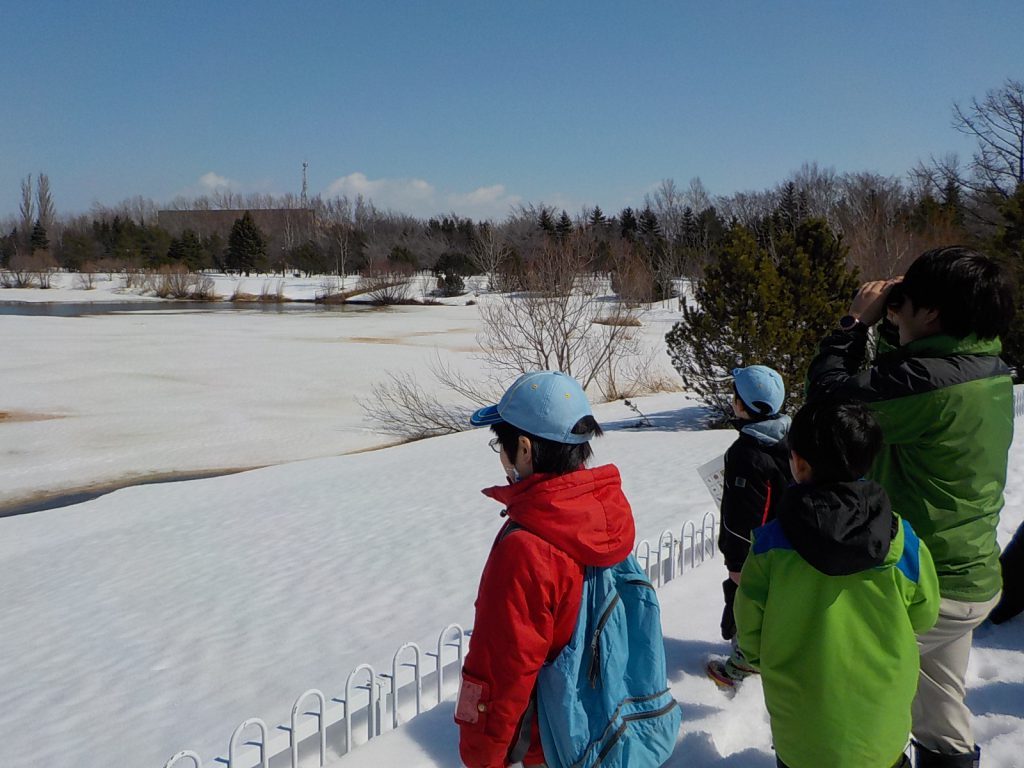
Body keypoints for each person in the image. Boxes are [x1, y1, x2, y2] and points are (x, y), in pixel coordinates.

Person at [805, 246, 1016, 767]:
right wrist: (894, 325)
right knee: (940, 711)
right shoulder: (982, 367)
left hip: (924, 586)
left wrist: (854, 323)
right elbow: (894, 382)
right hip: (967, 576)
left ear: (934, 314)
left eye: (909, 302)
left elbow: (827, 406)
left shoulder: (930, 385)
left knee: (848, 704)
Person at [734, 399, 940, 768]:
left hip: (801, 728)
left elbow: (750, 631)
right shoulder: (902, 540)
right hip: (880, 723)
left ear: (798, 463)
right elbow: (925, 613)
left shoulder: (769, 545)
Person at [454, 371, 636, 768]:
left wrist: (482, 756)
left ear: (524, 448)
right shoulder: (604, 515)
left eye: (499, 444)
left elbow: (504, 667)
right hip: (601, 721)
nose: (501, 458)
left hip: (548, 742)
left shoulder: (528, 546)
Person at [707, 365, 792, 689]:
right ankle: (765, 654)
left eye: (735, 397)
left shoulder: (747, 454)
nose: (732, 401)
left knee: (747, 603)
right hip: (784, 544)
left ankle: (742, 665)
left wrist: (736, 558)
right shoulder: (786, 435)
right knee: (769, 603)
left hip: (755, 550)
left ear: (745, 407)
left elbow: (744, 515)